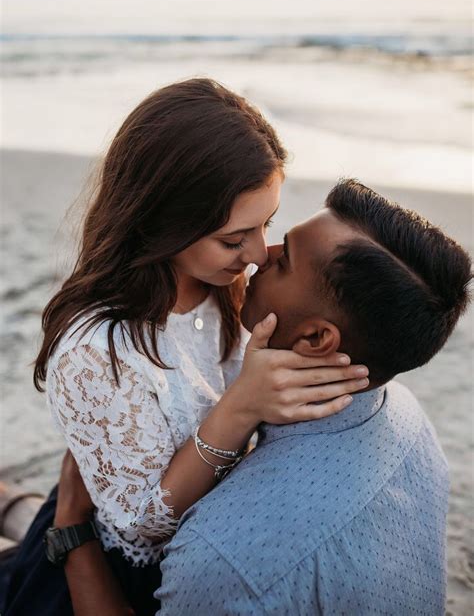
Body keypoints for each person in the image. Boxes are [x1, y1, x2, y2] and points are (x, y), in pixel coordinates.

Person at [1, 80, 366, 616]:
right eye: (233, 237)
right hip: (108, 569)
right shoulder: (97, 347)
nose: (258, 254)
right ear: (159, 221)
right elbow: (142, 525)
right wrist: (240, 405)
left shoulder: (223, 287)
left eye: (266, 223)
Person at [51, 179, 471, 615]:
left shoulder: (224, 558)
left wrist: (70, 526)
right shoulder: (408, 417)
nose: (258, 256)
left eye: (284, 260)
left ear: (315, 338)